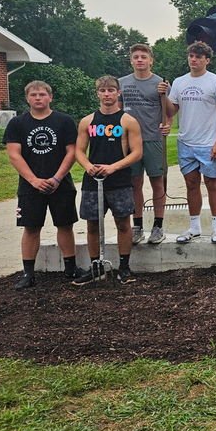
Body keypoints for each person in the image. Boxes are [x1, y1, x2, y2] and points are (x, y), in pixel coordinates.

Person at [3, 80, 82, 289]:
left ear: (50, 97)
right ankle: (28, 274)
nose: (38, 98)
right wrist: (34, 180)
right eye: (33, 95)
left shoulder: (64, 121)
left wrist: (56, 178)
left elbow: (72, 151)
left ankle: (70, 268)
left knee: (65, 225)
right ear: (27, 98)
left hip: (61, 183)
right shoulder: (17, 124)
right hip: (30, 186)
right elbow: (14, 154)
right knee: (31, 228)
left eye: (42, 94)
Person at [74, 76, 144, 284]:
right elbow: (79, 150)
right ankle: (96, 266)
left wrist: (114, 167)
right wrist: (88, 166)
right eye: (103, 91)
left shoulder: (128, 121)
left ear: (118, 92)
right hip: (93, 182)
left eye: (111, 90)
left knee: (123, 223)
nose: (107, 94)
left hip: (119, 180)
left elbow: (137, 152)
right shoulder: (87, 121)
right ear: (97, 93)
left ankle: (124, 267)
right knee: (92, 225)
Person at [166, 41, 216, 244]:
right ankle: (194, 227)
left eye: (198, 57)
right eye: (191, 56)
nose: (194, 60)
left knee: (212, 183)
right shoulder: (179, 82)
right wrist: (163, 95)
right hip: (186, 142)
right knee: (191, 184)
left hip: (208, 142)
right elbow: (171, 110)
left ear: (207, 60)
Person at [119, 43, 171, 246]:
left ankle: (158, 225)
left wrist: (163, 96)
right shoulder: (122, 83)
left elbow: (170, 112)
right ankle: (137, 225)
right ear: (131, 60)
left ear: (151, 60)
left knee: (157, 182)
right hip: (130, 141)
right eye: (136, 57)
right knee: (134, 183)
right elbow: (116, 111)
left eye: (144, 57)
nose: (140, 60)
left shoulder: (161, 83)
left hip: (153, 138)